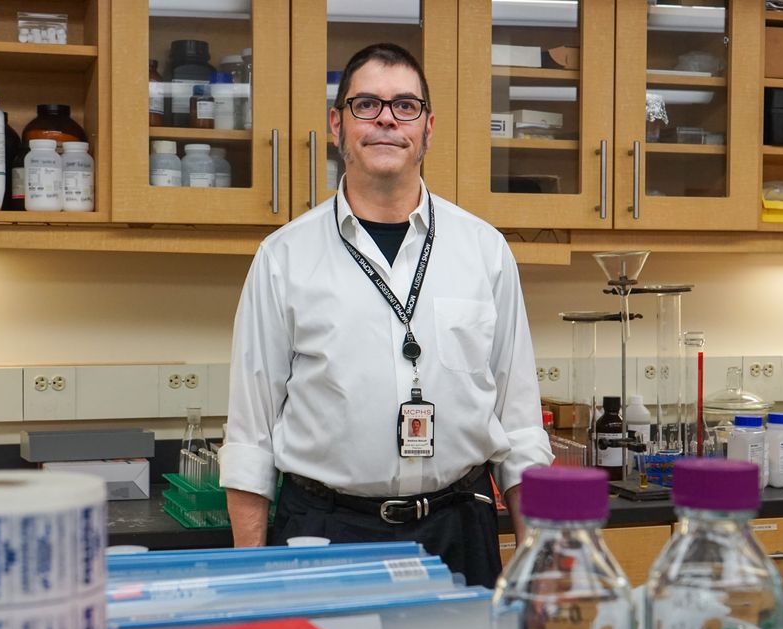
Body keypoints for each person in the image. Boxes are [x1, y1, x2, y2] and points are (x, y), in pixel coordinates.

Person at [219, 43, 552, 588]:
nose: (386, 121)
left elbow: (518, 428)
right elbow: (251, 437)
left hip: (459, 533)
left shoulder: (484, 251)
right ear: (337, 123)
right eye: (366, 104)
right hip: (323, 534)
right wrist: (253, 582)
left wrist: (541, 562)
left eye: (405, 106)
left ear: (427, 126)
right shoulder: (284, 257)